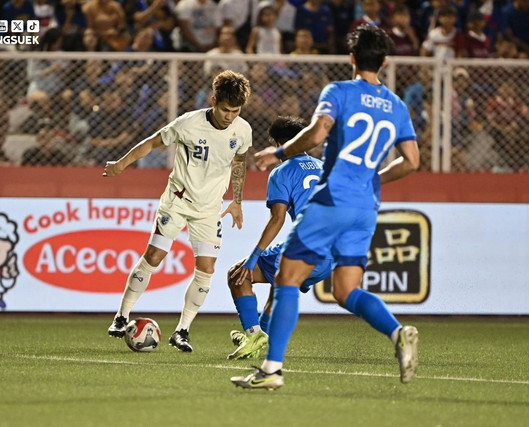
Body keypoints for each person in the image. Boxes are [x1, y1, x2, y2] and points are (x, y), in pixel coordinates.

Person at [231, 25, 420, 390]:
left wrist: (279, 152)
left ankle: (271, 370)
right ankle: (397, 334)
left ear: (351, 58)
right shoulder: (396, 106)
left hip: (332, 199)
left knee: (286, 278)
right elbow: (411, 161)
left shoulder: (339, 91)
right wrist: (373, 178)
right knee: (346, 291)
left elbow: (318, 133)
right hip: (366, 207)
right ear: (383, 61)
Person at [105, 70, 252, 353]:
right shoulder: (189, 123)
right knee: (154, 256)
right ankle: (122, 316)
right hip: (178, 201)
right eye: (225, 109)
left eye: (235, 111)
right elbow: (151, 142)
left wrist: (237, 200)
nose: (229, 116)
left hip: (209, 209)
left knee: (206, 269)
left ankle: (182, 331)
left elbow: (239, 162)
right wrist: (122, 164)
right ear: (213, 101)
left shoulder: (242, 130)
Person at [226, 116, 332, 360]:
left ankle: (254, 335)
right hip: (333, 253)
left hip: (307, 249)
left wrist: (252, 259)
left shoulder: (281, 173)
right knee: (278, 284)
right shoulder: (324, 167)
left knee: (237, 275)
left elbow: (277, 219)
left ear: (277, 144)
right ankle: (261, 334)